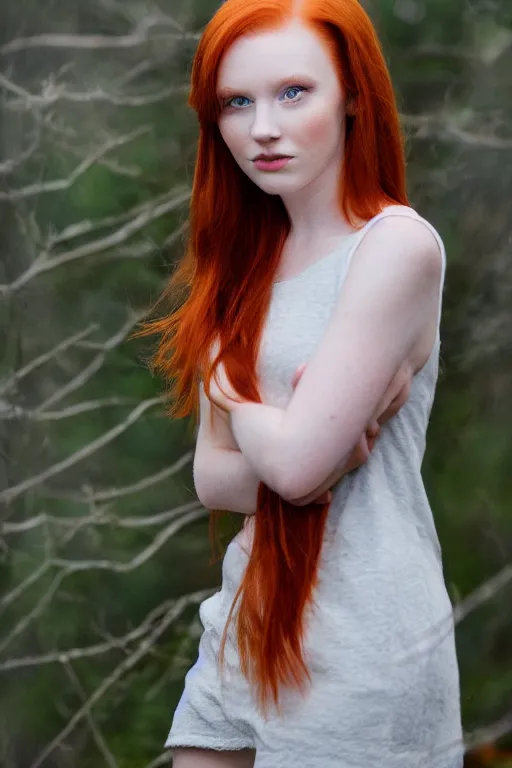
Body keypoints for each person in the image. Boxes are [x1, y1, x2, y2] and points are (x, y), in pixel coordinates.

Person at [134, 0, 464, 765]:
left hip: (363, 648)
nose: (262, 129)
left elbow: (291, 468)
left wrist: (232, 391)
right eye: (235, 103)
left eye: (293, 93)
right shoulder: (245, 266)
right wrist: (306, 449)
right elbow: (215, 480)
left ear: (352, 93)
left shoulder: (396, 248)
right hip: (244, 624)